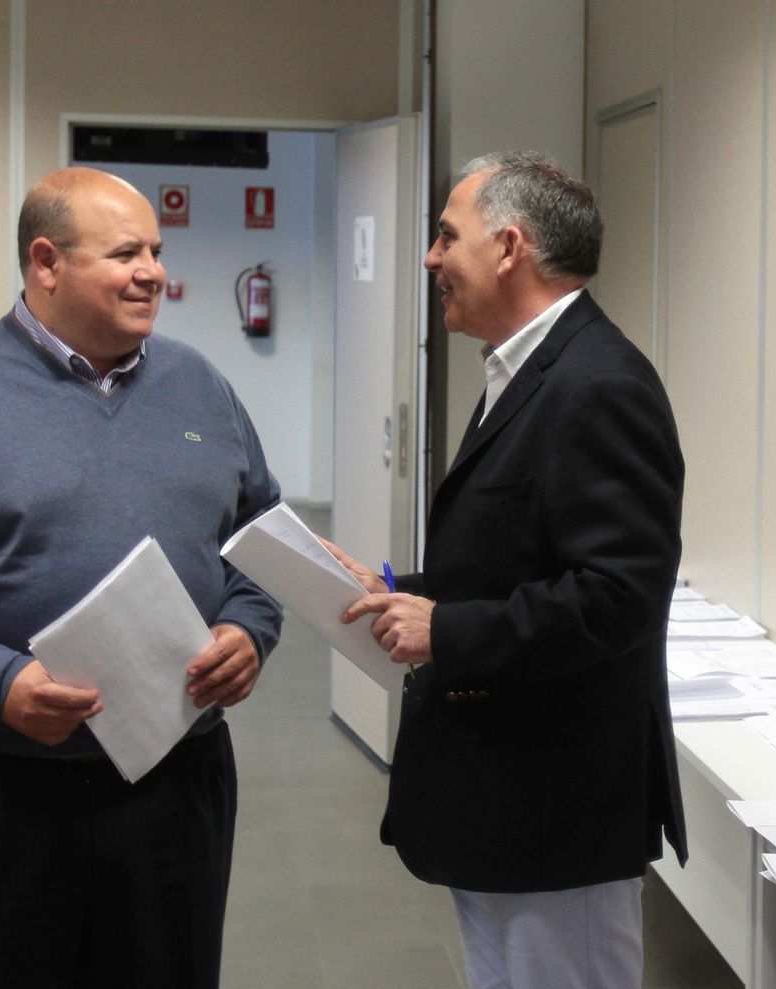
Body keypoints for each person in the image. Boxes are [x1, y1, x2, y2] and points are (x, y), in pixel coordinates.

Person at [324, 151, 687, 989]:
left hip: (558, 806)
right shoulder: (523, 371)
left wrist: (445, 631)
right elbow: (516, 558)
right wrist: (401, 593)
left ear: (509, 247)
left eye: (446, 236)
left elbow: (620, 595)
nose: (431, 259)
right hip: (503, 797)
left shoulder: (599, 384)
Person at [0, 167, 283, 989]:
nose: (152, 272)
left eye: (156, 251)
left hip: (175, 785)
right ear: (46, 262)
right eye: (125, 254)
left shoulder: (200, 384)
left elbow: (263, 540)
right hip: (10, 785)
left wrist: (249, 629)